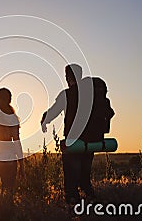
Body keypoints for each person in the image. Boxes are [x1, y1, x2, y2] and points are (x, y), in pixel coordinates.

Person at [41, 64, 114, 204]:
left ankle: (73, 208)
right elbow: (110, 112)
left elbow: (54, 111)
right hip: (91, 143)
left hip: (73, 143)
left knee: (71, 181)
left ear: (68, 77)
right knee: (84, 178)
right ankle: (93, 205)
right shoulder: (92, 94)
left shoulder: (67, 94)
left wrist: (44, 121)